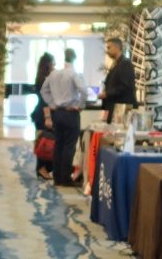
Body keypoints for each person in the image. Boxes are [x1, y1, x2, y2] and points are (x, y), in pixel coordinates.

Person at [41, 48, 91, 186]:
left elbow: (43, 90)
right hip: (70, 114)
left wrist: (52, 104)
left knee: (59, 145)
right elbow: (84, 91)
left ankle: (57, 178)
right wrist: (80, 106)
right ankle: (65, 179)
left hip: (57, 113)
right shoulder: (74, 74)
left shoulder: (54, 74)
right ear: (74, 58)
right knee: (69, 146)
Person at [100, 35, 138, 116]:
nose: (107, 51)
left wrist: (107, 94)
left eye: (109, 47)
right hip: (116, 107)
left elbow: (125, 86)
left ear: (116, 47)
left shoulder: (125, 64)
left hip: (123, 107)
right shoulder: (116, 64)